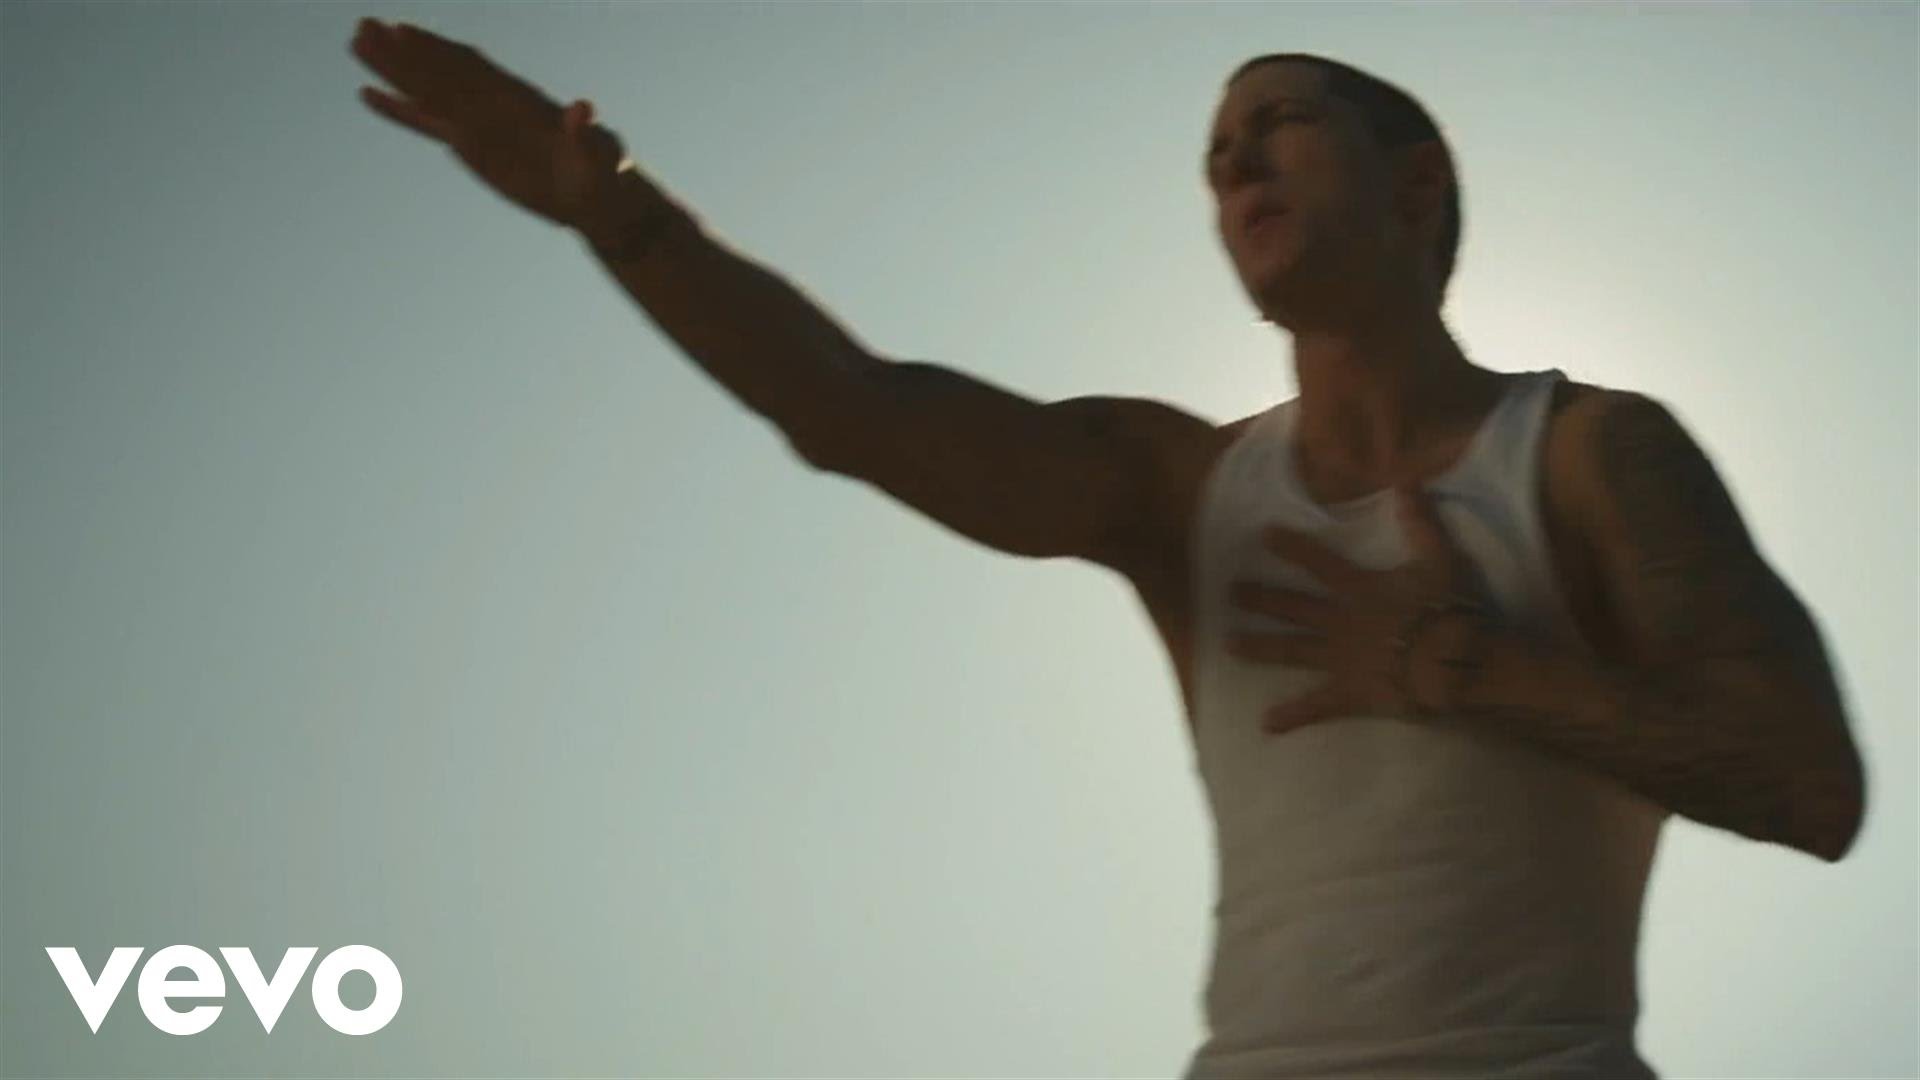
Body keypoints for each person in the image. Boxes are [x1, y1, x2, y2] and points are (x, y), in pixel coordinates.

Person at [351, 20, 1867, 1078]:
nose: (1237, 168)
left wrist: (1462, 668)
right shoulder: (1177, 483)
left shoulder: (1591, 452)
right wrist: (619, 221)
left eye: (1279, 125)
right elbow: (852, 412)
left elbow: (1809, 787)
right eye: (1215, 156)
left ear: (1416, 186)